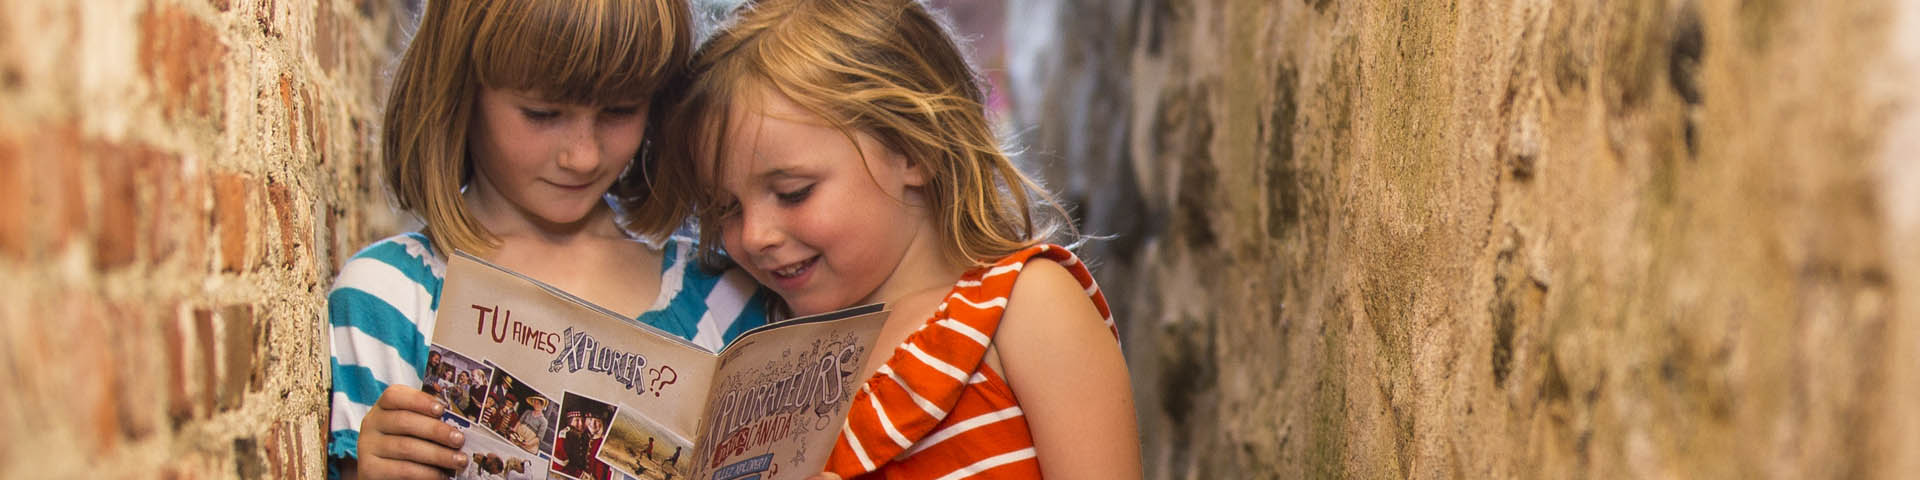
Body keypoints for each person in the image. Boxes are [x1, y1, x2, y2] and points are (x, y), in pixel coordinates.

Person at [651, 0, 1140, 477]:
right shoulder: (774, 358)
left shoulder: (1027, 305)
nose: (754, 235)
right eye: (726, 209)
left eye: (793, 193)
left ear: (914, 149)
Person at [325, 0, 775, 478]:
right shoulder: (390, 299)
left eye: (620, 110)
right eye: (542, 113)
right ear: (460, 91)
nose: (583, 156)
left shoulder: (724, 298)